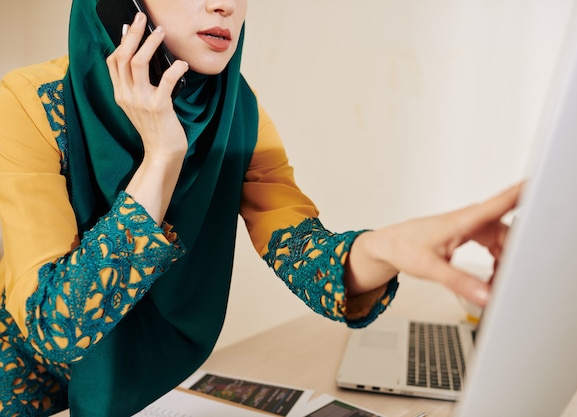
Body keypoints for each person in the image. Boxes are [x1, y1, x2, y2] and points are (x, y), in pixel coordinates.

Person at [0, 0, 522, 415]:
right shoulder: (26, 105)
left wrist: (388, 246)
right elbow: (57, 324)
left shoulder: (237, 114)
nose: (224, 5)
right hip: (23, 393)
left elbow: (303, 252)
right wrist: (161, 157)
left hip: (154, 397)